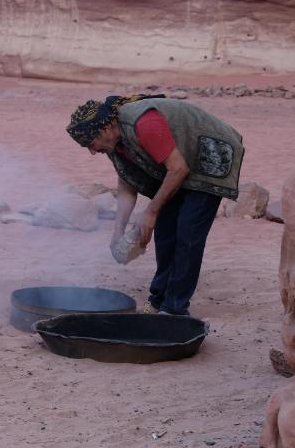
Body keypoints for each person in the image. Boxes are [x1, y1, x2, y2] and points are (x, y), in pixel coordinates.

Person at [66, 93, 244, 316]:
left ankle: (175, 308)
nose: (92, 152)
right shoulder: (113, 142)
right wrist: (118, 229)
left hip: (209, 154)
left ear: (104, 129)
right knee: (165, 230)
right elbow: (127, 182)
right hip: (178, 164)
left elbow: (179, 169)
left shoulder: (144, 124)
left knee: (188, 233)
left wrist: (150, 210)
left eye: (90, 144)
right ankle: (159, 298)